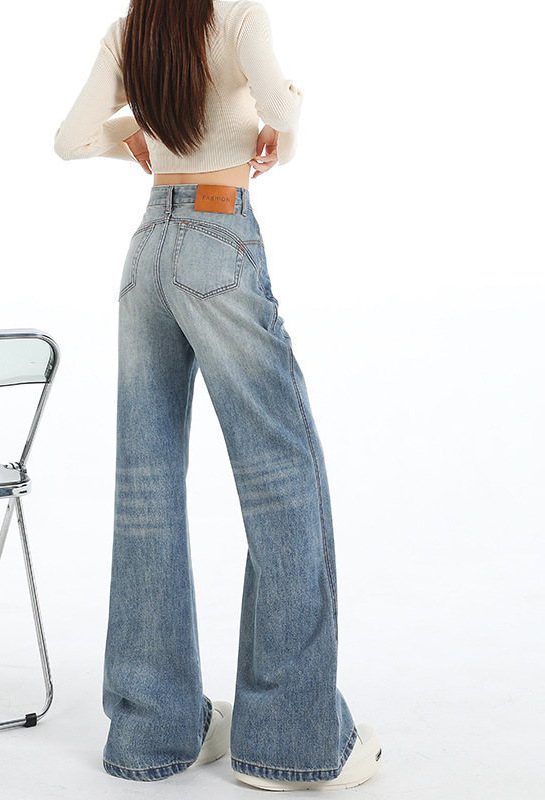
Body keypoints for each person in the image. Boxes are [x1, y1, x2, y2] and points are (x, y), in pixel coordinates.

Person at [54, 0, 381, 790]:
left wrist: (132, 131)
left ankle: (152, 730)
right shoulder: (237, 16)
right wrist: (284, 123)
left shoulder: (133, 29)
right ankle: (291, 745)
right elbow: (282, 111)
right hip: (216, 234)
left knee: (147, 487)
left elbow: (70, 139)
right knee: (282, 474)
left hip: (147, 250)